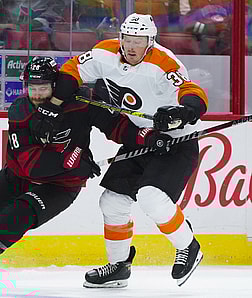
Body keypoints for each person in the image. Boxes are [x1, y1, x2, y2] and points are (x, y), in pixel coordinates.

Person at [0, 56, 169, 288]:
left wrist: (147, 137)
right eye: (32, 88)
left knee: (14, 219)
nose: (36, 94)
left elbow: (115, 126)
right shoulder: (20, 110)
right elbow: (30, 164)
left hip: (60, 187)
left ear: (56, 85)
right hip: (18, 175)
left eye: (43, 88)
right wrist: (72, 160)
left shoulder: (80, 102)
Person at [34, 13, 208, 288]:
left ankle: (188, 246)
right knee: (112, 202)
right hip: (142, 138)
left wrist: (181, 112)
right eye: (127, 38)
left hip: (176, 141)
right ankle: (119, 266)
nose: (131, 45)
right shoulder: (105, 53)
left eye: (138, 40)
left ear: (150, 42)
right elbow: (72, 70)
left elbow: (192, 92)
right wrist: (54, 104)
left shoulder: (164, 63)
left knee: (151, 197)